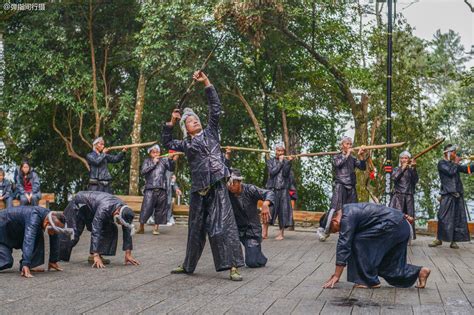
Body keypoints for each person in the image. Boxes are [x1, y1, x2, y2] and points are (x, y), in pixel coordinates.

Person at [162, 70, 244, 281]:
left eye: (196, 119)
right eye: (190, 121)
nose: (195, 121)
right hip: (199, 189)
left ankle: (233, 266)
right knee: (195, 228)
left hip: (217, 184)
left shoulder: (211, 132)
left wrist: (206, 81)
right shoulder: (185, 144)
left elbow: (215, 109)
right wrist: (171, 121)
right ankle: (188, 265)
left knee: (223, 226)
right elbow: (168, 143)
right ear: (186, 129)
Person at [319, 203, 431, 289]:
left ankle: (367, 281)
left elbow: (344, 245)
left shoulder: (347, 217)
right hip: (401, 226)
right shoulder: (349, 209)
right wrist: (402, 215)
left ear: (334, 221)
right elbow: (380, 210)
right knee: (385, 265)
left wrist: (336, 275)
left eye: (334, 230)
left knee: (356, 241)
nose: (337, 232)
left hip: (393, 227)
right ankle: (420, 272)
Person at [59, 191, 140, 268]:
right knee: (72, 233)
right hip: (78, 205)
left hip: (92, 209)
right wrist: (96, 255)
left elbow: (127, 229)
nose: (119, 224)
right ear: (117, 212)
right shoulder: (104, 208)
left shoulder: (125, 210)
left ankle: (96, 254)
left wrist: (128, 253)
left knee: (111, 228)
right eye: (119, 221)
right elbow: (96, 229)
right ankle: (58, 257)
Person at [0, 206, 73, 278]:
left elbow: (54, 237)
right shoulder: (34, 217)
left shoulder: (49, 217)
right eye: (54, 231)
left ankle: (28, 265)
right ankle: (25, 266)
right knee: (6, 261)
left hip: (15, 231)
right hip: (2, 230)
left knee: (40, 236)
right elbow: (29, 238)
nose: (54, 233)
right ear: (47, 223)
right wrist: (26, 263)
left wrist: (53, 260)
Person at [227, 168, 273, 268]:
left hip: (251, 231)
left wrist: (265, 204)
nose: (230, 186)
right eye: (228, 184)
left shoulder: (250, 189)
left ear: (239, 181)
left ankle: (259, 256)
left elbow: (269, 193)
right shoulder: (227, 193)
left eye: (233, 183)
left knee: (252, 262)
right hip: (236, 229)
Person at [429, 144, 473, 249]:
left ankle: (453, 241)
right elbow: (450, 172)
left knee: (457, 218)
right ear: (448, 153)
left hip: (457, 194)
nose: (455, 154)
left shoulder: (454, 164)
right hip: (447, 194)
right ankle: (439, 239)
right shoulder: (442, 163)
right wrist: (456, 162)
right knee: (442, 217)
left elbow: (467, 170)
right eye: (453, 152)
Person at [137, 144, 176, 235]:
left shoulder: (164, 161)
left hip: (162, 188)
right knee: (146, 208)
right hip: (150, 188)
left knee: (160, 210)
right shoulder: (147, 161)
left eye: (157, 152)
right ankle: (141, 227)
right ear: (150, 153)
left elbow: (171, 168)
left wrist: (170, 159)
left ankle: (156, 228)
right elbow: (143, 171)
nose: (156, 154)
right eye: (153, 152)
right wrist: (154, 163)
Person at [263, 143, 293, 241]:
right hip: (272, 189)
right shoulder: (270, 161)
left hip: (283, 189)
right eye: (278, 150)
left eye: (282, 151)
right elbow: (272, 173)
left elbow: (285, 174)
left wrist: (288, 163)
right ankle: (264, 232)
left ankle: (281, 233)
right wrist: (280, 163)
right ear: (275, 151)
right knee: (269, 210)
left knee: (282, 212)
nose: (280, 152)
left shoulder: (286, 161)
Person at [390, 151, 419, 239]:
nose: (404, 160)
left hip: (409, 196)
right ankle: (396, 236)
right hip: (398, 196)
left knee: (409, 218)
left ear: (409, 159)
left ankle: (408, 236)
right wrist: (402, 168)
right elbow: (394, 178)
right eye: (402, 158)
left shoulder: (411, 170)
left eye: (406, 158)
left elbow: (415, 181)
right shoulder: (396, 169)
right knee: (398, 217)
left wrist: (414, 168)